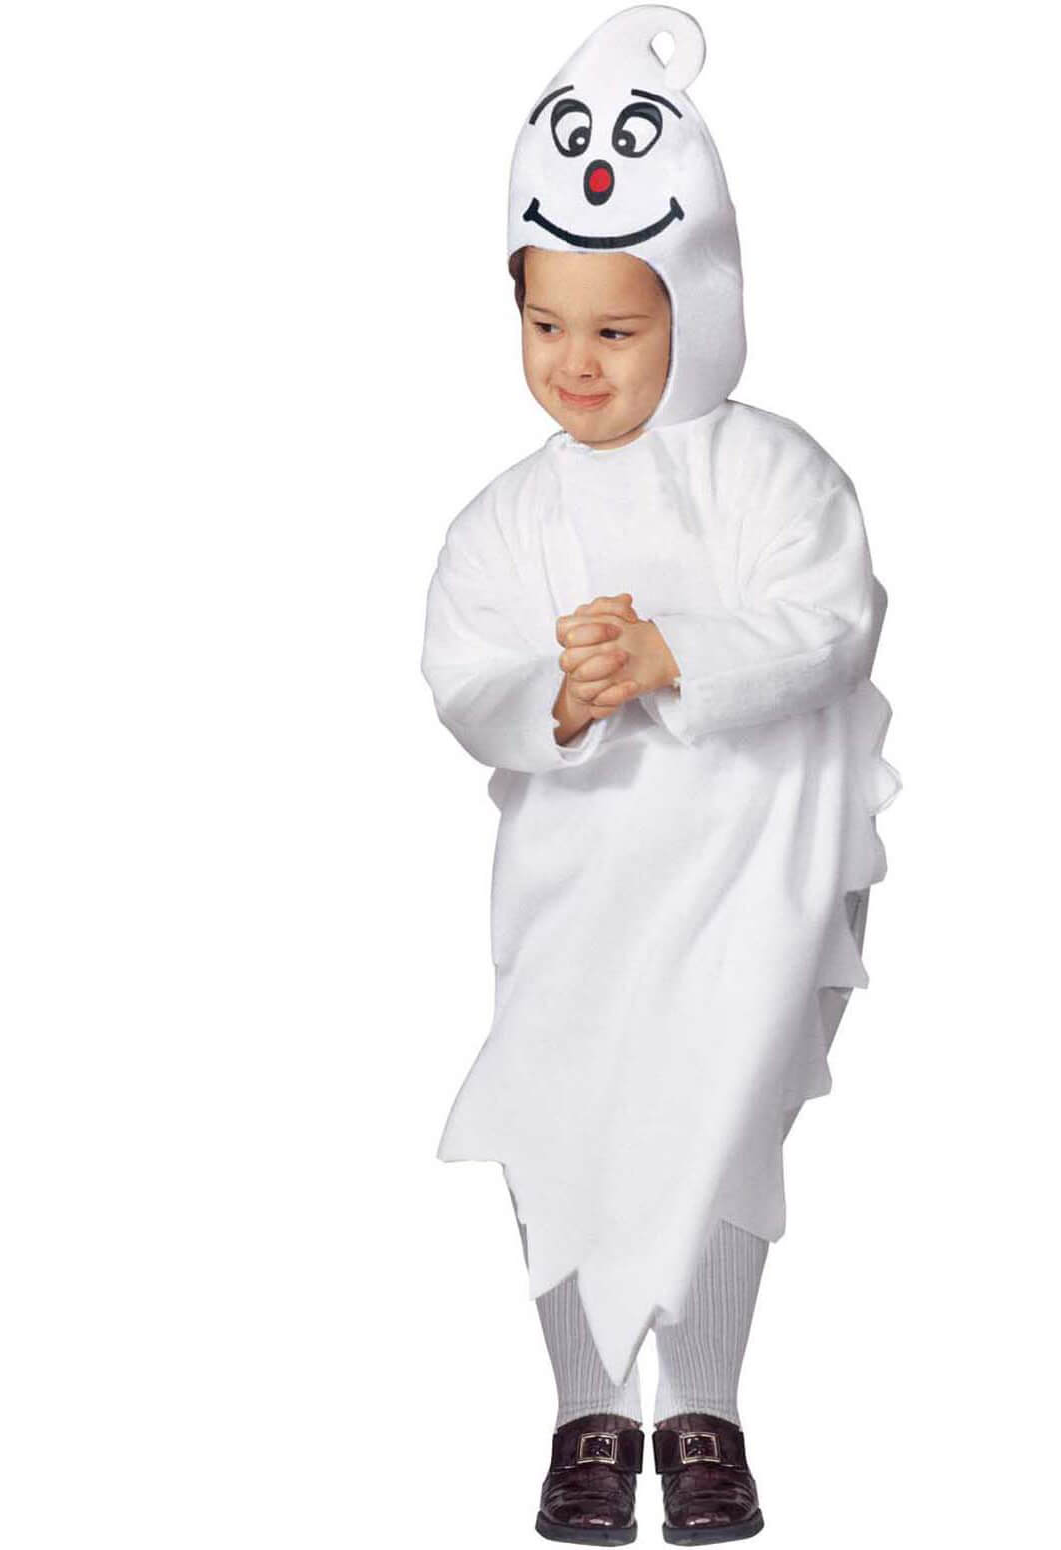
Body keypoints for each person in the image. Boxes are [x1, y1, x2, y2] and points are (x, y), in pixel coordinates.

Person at [419, 7, 900, 1544]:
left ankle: (702, 1406)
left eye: (616, 331)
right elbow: (462, 667)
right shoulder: (505, 518)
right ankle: (582, 1409)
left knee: (716, 1113)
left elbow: (827, 620)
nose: (575, 364)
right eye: (545, 325)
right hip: (580, 885)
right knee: (561, 1106)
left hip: (746, 870)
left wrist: (672, 651)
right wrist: (552, 694)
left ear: (699, 305)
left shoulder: (774, 474)